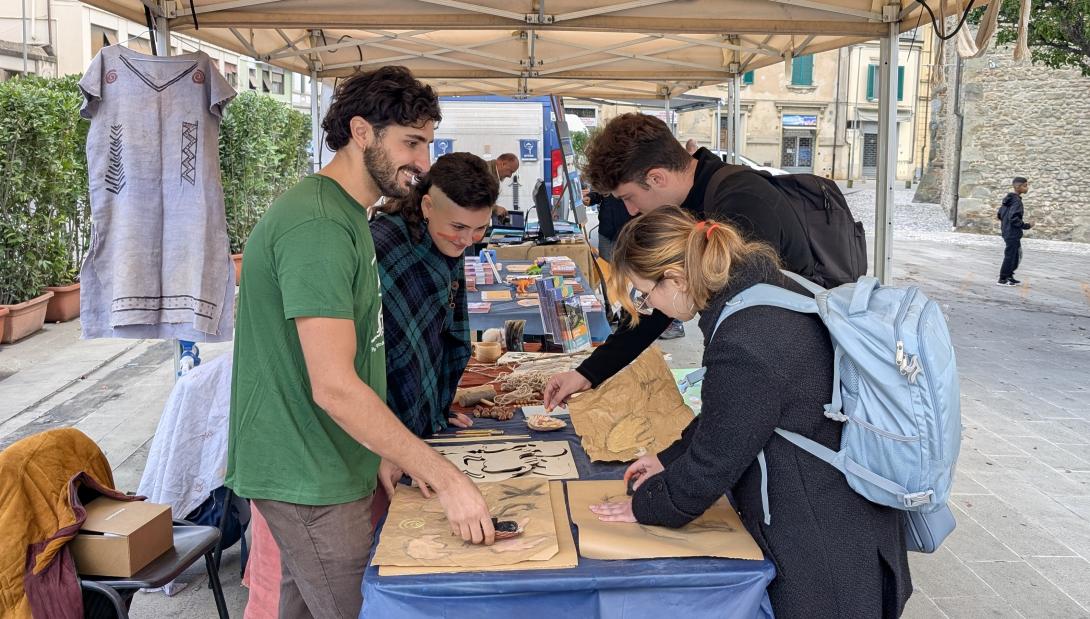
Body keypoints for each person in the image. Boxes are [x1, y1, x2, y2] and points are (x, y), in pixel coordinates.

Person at [226, 66, 494, 619]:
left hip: (327, 460)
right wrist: (446, 478)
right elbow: (334, 387)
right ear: (361, 131)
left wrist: (383, 449)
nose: (423, 162)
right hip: (309, 470)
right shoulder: (319, 225)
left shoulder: (345, 215)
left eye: (427, 143)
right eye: (411, 143)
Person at [588, 206, 912, 618]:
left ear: (676, 278)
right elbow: (737, 410)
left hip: (826, 551)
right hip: (844, 518)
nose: (649, 305)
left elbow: (712, 465)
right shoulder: (765, 287)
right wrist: (669, 458)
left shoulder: (747, 337)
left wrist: (646, 505)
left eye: (644, 293)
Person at [544, 113, 815, 407]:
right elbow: (656, 305)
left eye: (628, 197)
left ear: (656, 178)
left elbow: (751, 333)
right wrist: (588, 373)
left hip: (795, 383)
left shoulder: (741, 202)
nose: (631, 210)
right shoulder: (696, 197)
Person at [371, 152, 499, 437]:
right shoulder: (384, 247)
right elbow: (381, 356)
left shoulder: (442, 238)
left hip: (423, 415)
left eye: (480, 228)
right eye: (458, 227)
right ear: (427, 206)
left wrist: (435, 408)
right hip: (377, 425)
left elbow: (436, 336)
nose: (467, 240)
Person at [997, 176, 1033, 286]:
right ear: (1018, 187)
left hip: (1007, 231)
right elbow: (1013, 218)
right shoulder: (1016, 201)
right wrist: (1027, 225)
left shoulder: (1008, 200)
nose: (1027, 188)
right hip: (1012, 233)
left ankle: (1009, 276)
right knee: (1011, 256)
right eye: (1025, 186)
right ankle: (1003, 279)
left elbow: (999, 215)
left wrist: (1005, 225)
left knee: (1015, 255)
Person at [487, 152, 520, 222]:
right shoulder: (486, 173)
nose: (510, 176)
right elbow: (474, 201)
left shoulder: (492, 173)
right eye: (510, 171)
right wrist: (495, 208)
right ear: (503, 164)